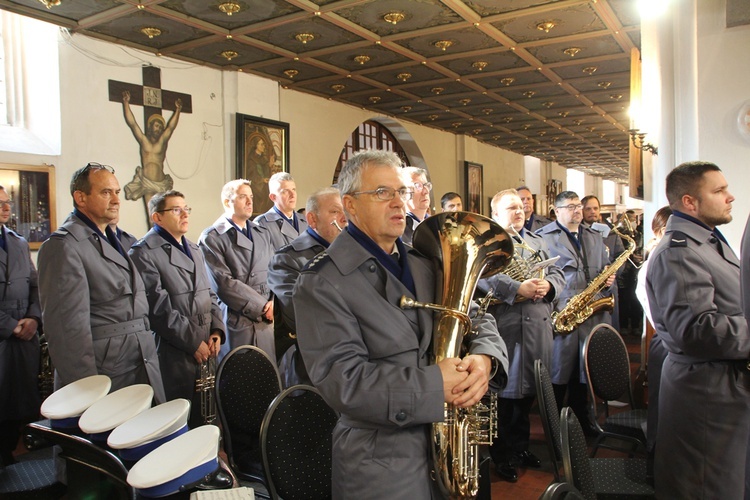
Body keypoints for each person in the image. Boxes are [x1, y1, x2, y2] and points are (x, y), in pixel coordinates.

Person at [293, 149, 508, 498]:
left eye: (401, 192)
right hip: (381, 469)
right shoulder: (321, 282)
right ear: (349, 205)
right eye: (382, 193)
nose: (398, 203)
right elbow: (343, 383)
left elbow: (478, 317)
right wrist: (434, 382)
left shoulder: (427, 262)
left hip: (451, 451)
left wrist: (486, 359)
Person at [646, 161, 748, 499]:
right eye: (719, 191)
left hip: (721, 387)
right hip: (706, 394)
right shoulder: (680, 251)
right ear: (690, 202)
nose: (730, 197)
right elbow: (698, 329)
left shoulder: (706, 241)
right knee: (709, 489)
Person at [37, 163, 165, 401]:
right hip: (106, 370)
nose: (116, 199)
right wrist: (87, 393)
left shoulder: (118, 239)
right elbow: (67, 332)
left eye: (117, 192)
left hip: (140, 358)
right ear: (81, 197)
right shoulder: (63, 246)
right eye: (106, 192)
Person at [477, 189, 565, 483]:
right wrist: (517, 288)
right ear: (497, 215)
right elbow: (482, 276)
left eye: (520, 207)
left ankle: (521, 447)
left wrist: (547, 287)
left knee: (530, 395)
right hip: (509, 327)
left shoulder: (536, 240)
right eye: (511, 208)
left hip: (538, 328)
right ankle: (501, 455)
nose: (518, 212)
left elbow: (559, 273)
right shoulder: (489, 245)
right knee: (505, 397)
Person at [129, 191, 224, 427]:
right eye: (176, 210)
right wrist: (193, 342)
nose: (184, 214)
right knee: (179, 419)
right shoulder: (143, 252)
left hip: (206, 344)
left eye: (186, 209)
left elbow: (209, 294)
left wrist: (216, 330)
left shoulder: (194, 248)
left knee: (207, 417)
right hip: (175, 348)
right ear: (157, 218)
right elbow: (158, 309)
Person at [536, 191, 615, 433]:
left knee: (585, 373)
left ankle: (584, 423)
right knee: (559, 374)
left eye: (578, 206)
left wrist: (609, 279)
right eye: (570, 206)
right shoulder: (542, 238)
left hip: (592, 312)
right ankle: (556, 430)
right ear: (556, 211)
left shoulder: (593, 236)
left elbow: (601, 270)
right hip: (562, 313)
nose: (577, 210)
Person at [268, 187, 347, 387]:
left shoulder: (352, 252)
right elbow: (301, 311)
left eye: (345, 211)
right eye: (335, 211)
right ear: (312, 220)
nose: (344, 217)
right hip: (309, 366)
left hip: (350, 361)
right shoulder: (287, 258)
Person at [199, 179, 275, 360]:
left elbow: (273, 269)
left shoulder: (262, 232)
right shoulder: (212, 237)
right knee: (241, 379)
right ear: (227, 202)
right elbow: (223, 283)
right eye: (242, 197)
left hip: (267, 319)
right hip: (238, 317)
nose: (250, 202)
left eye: (251, 197)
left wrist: (274, 301)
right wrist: (262, 306)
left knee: (268, 378)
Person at [0, 187, 42, 466]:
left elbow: (35, 284)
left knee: (18, 408)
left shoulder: (17, 242)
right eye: (0, 203)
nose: (6, 207)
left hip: (23, 338)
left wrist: (34, 318)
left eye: (7, 202)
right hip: (4, 335)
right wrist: (10, 325)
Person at [634, 205, 671, 458]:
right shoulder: (657, 261)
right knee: (663, 413)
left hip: (667, 343)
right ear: (659, 231)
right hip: (667, 344)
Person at [121, 91, 182, 208]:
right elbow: (132, 123)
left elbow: (171, 127)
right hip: (147, 182)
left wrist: (178, 110)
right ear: (150, 126)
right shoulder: (144, 141)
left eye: (160, 127)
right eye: (156, 125)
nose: (158, 129)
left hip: (161, 183)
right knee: (152, 218)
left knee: (162, 216)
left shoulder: (162, 141)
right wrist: (126, 103)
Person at [580, 195, 628, 333]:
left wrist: (613, 273)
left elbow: (621, 256)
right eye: (588, 209)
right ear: (582, 211)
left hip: (609, 286)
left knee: (611, 326)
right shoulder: (578, 232)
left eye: (595, 208)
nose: (592, 212)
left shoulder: (612, 232)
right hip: (588, 288)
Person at [254, 172, 308, 250]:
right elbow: (264, 259)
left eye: (293, 189)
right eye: (285, 191)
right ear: (273, 197)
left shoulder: (304, 220)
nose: (292, 195)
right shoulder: (262, 224)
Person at [401, 166, 431, 245]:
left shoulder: (435, 224)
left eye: (426, 185)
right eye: (418, 186)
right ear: (404, 193)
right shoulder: (398, 228)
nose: (425, 191)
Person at [245, 136, 274, 214]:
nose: (263, 146)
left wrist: (269, 165)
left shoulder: (263, 158)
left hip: (263, 184)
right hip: (256, 185)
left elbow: (265, 171)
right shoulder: (251, 159)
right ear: (256, 146)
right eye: (261, 144)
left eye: (263, 144)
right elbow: (251, 176)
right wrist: (262, 180)